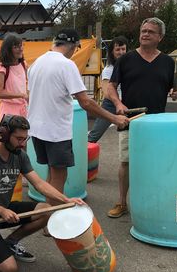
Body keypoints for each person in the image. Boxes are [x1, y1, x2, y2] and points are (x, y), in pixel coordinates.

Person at [0, 115, 84, 272]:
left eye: (25, 139)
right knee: (9, 270)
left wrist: (65, 200)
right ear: (4, 135)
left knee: (47, 210)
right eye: (19, 139)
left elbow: (39, 183)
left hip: (6, 210)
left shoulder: (19, 155)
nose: (23, 144)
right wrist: (1, 210)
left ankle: (10, 242)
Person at [27, 29, 128, 205]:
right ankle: (49, 220)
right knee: (59, 175)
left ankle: (45, 216)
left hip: (37, 130)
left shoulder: (37, 63)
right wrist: (114, 118)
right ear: (73, 46)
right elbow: (86, 102)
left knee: (52, 172)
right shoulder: (66, 65)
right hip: (56, 132)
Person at [107, 17, 177, 218]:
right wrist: (118, 104)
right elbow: (111, 86)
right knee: (126, 162)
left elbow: (175, 88)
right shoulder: (125, 59)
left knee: (155, 162)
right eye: (143, 30)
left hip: (157, 123)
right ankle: (122, 202)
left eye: (150, 31)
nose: (145, 34)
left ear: (160, 37)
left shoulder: (167, 62)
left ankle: (153, 201)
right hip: (130, 120)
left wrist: (176, 93)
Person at [88, 36, 128, 142]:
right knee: (95, 135)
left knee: (129, 134)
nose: (121, 52)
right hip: (110, 105)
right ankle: (82, 154)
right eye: (117, 49)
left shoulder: (129, 66)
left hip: (126, 104)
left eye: (123, 49)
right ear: (112, 52)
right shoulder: (109, 69)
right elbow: (106, 93)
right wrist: (118, 103)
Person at [0, 34, 28, 118]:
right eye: (16, 47)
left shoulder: (24, 64)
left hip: (24, 109)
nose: (20, 49)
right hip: (9, 112)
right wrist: (21, 95)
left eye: (21, 46)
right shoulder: (2, 68)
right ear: (8, 50)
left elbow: (29, 82)